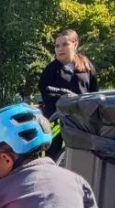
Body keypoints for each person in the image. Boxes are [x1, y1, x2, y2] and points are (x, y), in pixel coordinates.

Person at [38, 29, 98, 159]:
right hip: (57, 119)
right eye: (57, 46)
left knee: (82, 154)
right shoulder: (51, 69)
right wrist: (66, 98)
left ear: (75, 44)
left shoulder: (86, 66)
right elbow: (45, 90)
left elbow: (94, 93)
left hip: (81, 119)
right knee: (53, 153)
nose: (60, 49)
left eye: (65, 44)